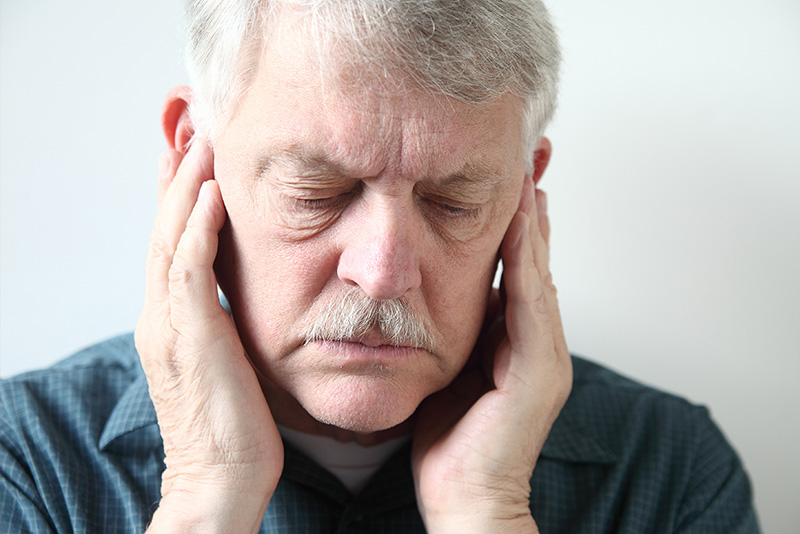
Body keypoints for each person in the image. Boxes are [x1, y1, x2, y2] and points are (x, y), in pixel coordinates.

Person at [0, 1, 759, 532]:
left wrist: (488, 512)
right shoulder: (27, 460)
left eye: (454, 200)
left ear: (526, 191)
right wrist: (205, 502)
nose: (384, 271)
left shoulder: (668, 469)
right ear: (189, 156)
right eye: (317, 191)